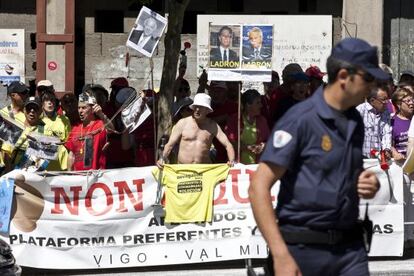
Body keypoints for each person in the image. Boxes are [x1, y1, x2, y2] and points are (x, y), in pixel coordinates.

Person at [249, 37, 386, 276]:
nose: (372, 87)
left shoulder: (355, 121)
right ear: (344, 76)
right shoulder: (299, 120)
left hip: (350, 250)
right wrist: (280, 254)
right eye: (367, 78)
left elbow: (342, 173)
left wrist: (364, 182)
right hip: (303, 250)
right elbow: (258, 186)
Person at [157, 93, 235, 166]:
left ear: (207, 110)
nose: (197, 109)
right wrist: (162, 159)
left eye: (201, 107)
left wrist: (231, 161)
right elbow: (170, 145)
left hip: (204, 170)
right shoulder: (182, 123)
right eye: (196, 106)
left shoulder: (212, 126)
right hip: (183, 171)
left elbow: (228, 145)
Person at [65, 93, 108, 171]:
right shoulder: (75, 129)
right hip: (78, 177)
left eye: (84, 108)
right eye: (79, 108)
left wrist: (101, 114)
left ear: (92, 109)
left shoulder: (100, 125)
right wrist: (69, 175)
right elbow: (71, 155)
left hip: (96, 176)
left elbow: (112, 130)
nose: (80, 111)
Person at [225, 89, 270, 164]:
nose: (261, 105)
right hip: (238, 166)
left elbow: (268, 140)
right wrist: (248, 147)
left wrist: (263, 146)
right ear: (248, 104)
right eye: (258, 103)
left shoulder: (262, 120)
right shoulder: (235, 119)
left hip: (257, 165)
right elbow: (230, 142)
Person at [356, 87, 392, 158]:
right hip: (362, 157)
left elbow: (386, 133)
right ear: (372, 100)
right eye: (383, 99)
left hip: (378, 158)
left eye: (387, 99)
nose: (386, 102)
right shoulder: (360, 110)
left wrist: (386, 149)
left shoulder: (386, 112)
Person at [391, 88, 414, 161]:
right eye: (408, 101)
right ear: (398, 104)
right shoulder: (392, 122)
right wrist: (395, 154)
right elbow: (389, 144)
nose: (412, 103)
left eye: (412, 100)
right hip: (401, 164)